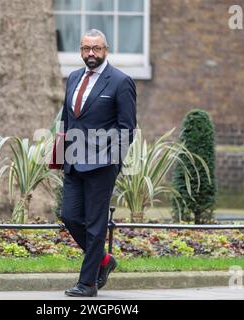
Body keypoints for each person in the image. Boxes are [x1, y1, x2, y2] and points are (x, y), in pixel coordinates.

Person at [59, 29, 137, 297]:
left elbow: (128, 128)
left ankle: (87, 283)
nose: (90, 54)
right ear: (80, 50)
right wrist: (60, 154)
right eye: (85, 49)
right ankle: (105, 260)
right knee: (69, 215)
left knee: (95, 225)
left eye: (96, 49)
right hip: (72, 160)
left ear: (106, 50)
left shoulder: (120, 81)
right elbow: (67, 121)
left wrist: (114, 161)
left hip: (102, 165)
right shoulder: (72, 78)